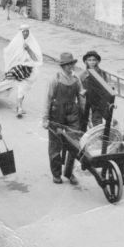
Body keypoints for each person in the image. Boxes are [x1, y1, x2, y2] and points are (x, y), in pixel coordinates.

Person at [42, 53, 85, 185]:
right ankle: (56, 174)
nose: (70, 67)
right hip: (57, 113)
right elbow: (48, 99)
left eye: (71, 64)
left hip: (72, 113)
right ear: (63, 65)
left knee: (73, 145)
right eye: (67, 64)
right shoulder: (55, 79)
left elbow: (81, 99)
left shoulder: (76, 79)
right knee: (56, 145)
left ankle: (69, 172)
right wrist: (45, 118)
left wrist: (84, 117)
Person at [0, 24, 43, 117]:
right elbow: (9, 53)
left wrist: (28, 49)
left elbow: (36, 59)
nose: (25, 33)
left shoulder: (32, 43)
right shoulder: (16, 42)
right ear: (20, 33)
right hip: (17, 69)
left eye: (27, 31)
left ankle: (19, 107)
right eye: (23, 31)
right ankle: (19, 107)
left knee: (23, 88)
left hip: (28, 70)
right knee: (8, 84)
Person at [79, 50, 109, 130]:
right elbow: (80, 89)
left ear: (97, 61)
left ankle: (99, 139)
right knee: (84, 123)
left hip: (98, 102)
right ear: (86, 62)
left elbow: (106, 88)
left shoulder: (102, 73)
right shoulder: (83, 75)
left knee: (97, 124)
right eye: (89, 60)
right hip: (86, 101)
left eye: (94, 60)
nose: (92, 62)